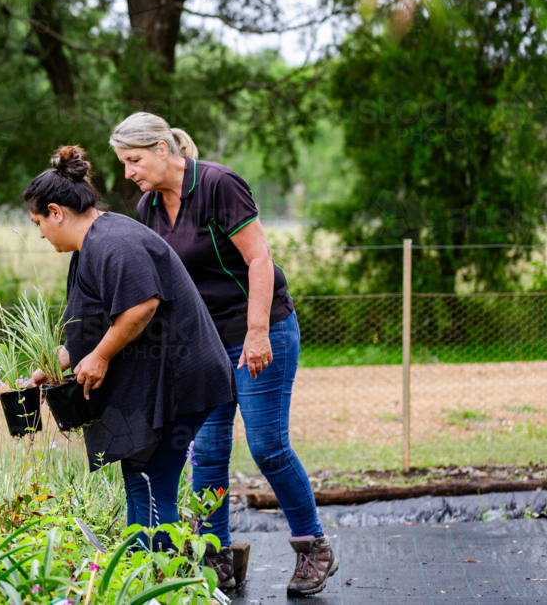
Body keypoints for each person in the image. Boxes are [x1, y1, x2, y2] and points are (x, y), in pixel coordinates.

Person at [110, 112, 337, 597]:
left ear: (162, 149)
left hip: (262, 329)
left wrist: (258, 333)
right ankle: (216, 558)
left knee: (267, 445)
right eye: (123, 163)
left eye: (133, 160)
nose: (128, 172)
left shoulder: (217, 185)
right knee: (208, 452)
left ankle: (313, 547)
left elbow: (260, 258)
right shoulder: (148, 206)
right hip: (206, 345)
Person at [24, 145, 236, 552]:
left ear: (56, 212)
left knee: (153, 485)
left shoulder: (114, 242)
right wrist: (55, 364)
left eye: (38, 223)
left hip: (182, 381)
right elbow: (98, 326)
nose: (40, 234)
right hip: (161, 381)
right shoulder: (93, 245)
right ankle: (145, 577)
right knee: (141, 481)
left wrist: (101, 357)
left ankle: (165, 584)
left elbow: (141, 307)